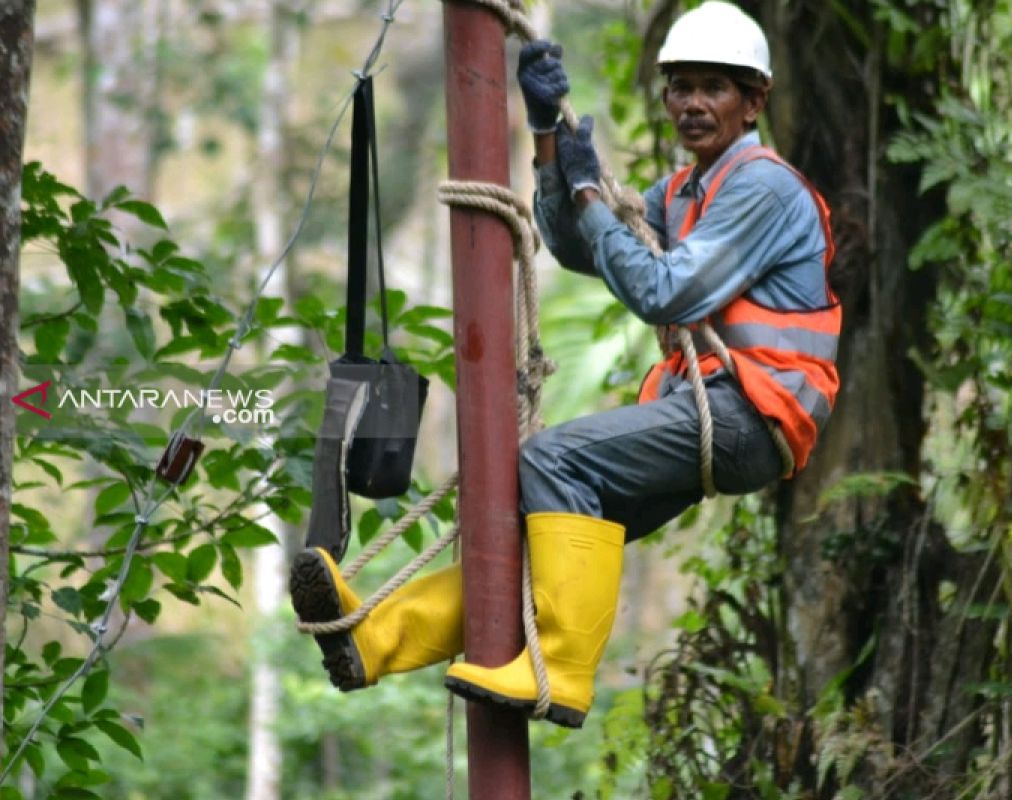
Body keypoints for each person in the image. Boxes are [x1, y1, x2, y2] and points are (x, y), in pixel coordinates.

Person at [290, 0, 839, 730]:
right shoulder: (681, 193)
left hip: (750, 412)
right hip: (714, 408)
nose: (694, 104)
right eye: (681, 87)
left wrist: (588, 188)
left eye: (715, 87)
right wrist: (550, 139)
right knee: (536, 531)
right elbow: (582, 244)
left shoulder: (764, 189)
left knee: (554, 462)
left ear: (754, 101)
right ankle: (377, 640)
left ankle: (560, 674)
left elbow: (660, 289)